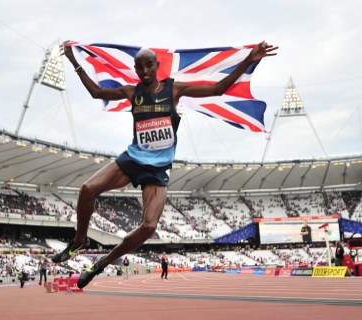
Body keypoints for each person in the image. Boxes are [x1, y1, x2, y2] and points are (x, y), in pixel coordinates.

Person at [51, 40, 278, 289]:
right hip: (133, 158)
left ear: (156, 66)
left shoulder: (174, 91)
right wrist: (74, 61)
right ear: (136, 69)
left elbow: (218, 89)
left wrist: (250, 60)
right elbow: (96, 93)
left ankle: (102, 263)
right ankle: (79, 241)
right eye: (140, 67)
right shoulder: (131, 93)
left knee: (148, 227)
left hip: (158, 168)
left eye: (149, 65)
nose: (145, 70)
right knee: (87, 189)